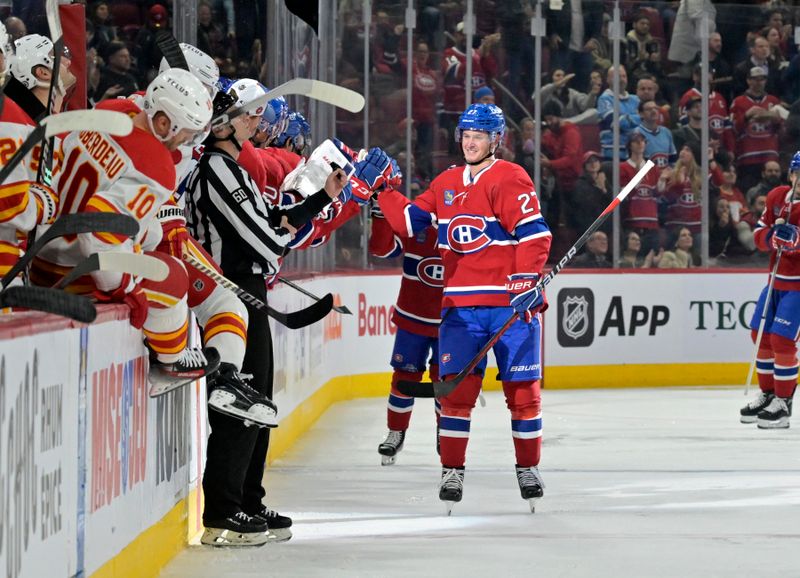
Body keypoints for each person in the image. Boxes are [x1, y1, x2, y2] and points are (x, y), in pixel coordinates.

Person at [185, 88, 347, 546]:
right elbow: (268, 240)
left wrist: (322, 197)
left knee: (257, 400)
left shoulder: (232, 169)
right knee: (240, 403)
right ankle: (222, 510)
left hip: (245, 291)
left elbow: (272, 223)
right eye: (250, 116)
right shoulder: (217, 169)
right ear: (229, 121)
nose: (256, 123)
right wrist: (279, 233)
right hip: (230, 295)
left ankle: (247, 500)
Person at [373, 103, 552, 513]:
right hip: (459, 308)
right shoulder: (446, 181)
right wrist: (381, 192)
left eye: (480, 135)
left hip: (509, 306)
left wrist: (525, 279)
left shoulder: (510, 177)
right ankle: (452, 470)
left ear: (496, 139)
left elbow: (535, 234)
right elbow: (410, 223)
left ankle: (528, 468)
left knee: (523, 395)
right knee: (456, 395)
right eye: (466, 135)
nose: (471, 142)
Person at [31, 69, 219, 383]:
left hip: (40, 247)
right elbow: (101, 225)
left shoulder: (110, 111)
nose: (188, 140)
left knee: (152, 232)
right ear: (163, 122)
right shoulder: (155, 165)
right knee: (174, 277)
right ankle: (172, 357)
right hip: (72, 273)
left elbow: (59, 153)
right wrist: (123, 288)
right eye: (187, 131)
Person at [369, 177, 442, 466]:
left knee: (445, 382)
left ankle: (446, 432)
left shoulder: (470, 228)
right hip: (413, 318)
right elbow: (382, 248)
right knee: (403, 377)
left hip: (452, 322)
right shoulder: (416, 222)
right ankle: (395, 432)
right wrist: (380, 214)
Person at [739, 151, 800, 429]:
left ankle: (784, 404)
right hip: (775, 283)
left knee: (782, 341)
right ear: (791, 174)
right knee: (760, 335)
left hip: (798, 287)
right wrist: (772, 238)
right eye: (798, 173)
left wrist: (795, 240)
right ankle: (768, 394)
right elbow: (757, 235)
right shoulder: (777, 197)